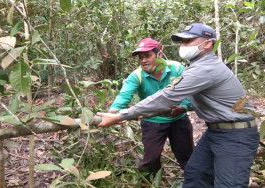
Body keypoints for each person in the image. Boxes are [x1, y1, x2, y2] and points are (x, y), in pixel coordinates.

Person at [97, 23, 259, 188]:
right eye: (181, 42)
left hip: (235, 134)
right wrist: (116, 110)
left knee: (229, 184)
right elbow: (126, 95)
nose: (183, 46)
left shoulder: (203, 69)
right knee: (196, 174)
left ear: (208, 44)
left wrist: (120, 116)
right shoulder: (194, 67)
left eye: (188, 41)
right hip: (215, 131)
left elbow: (168, 96)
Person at [109, 38, 193, 176]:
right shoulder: (137, 76)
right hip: (152, 122)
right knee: (151, 159)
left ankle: (194, 181)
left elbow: (191, 90)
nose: (143, 60)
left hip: (179, 119)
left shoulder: (176, 68)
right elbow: (124, 96)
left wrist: (184, 106)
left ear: (159, 55)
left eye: (148, 56)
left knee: (187, 156)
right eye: (141, 58)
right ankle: (149, 182)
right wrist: (113, 112)